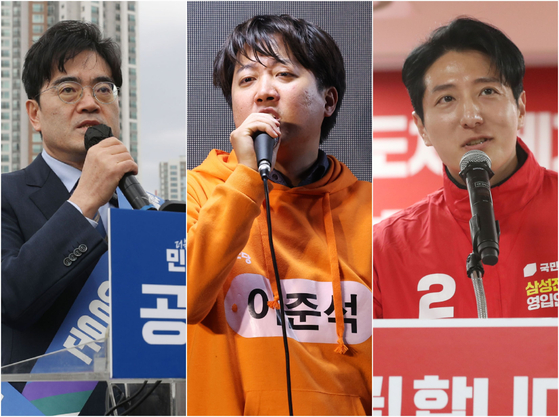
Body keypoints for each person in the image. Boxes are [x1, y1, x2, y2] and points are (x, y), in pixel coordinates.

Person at [187, 14, 372, 415]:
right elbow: (184, 301)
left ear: (329, 100)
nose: (264, 93)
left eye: (284, 74)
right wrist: (246, 178)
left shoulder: (373, 211)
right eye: (247, 79)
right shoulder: (196, 191)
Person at [373, 17, 558, 319]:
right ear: (422, 128)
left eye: (487, 92)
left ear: (520, 108)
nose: (470, 116)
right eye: (447, 98)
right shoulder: (385, 250)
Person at [1, 21, 136, 412]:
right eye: (68, 89)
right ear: (35, 114)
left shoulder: (146, 207)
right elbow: (10, 297)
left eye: (103, 88)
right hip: (36, 409)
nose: (91, 103)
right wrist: (85, 201)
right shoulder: (6, 195)